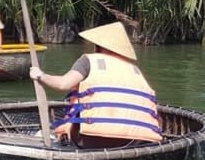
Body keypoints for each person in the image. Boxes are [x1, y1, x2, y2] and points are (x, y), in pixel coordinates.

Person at [29, 21, 162, 148]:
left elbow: (63, 84)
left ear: (99, 46)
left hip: (93, 139)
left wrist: (40, 75)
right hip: (138, 141)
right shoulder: (134, 69)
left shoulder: (88, 61)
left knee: (50, 132)